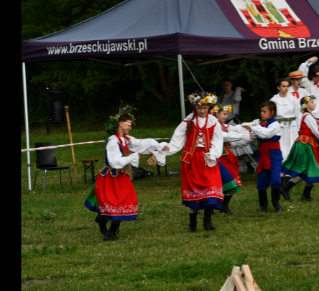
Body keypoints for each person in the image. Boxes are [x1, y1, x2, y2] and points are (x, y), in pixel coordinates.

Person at [150, 92, 228, 233]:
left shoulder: (213, 122)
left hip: (207, 159)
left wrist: (212, 154)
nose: (202, 111)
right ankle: (192, 224)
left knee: (210, 188)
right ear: (195, 107)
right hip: (191, 161)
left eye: (205, 108)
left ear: (209, 107)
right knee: (193, 191)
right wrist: (160, 153)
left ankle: (207, 220)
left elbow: (217, 141)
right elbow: (176, 141)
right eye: (199, 108)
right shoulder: (188, 121)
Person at [87, 106, 165, 240]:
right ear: (120, 123)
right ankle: (106, 227)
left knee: (124, 201)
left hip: (121, 176)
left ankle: (107, 226)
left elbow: (141, 143)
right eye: (128, 125)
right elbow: (113, 161)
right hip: (110, 176)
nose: (130, 127)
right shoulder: (113, 141)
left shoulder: (125, 139)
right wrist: (131, 157)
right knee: (114, 203)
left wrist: (159, 146)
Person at [283, 96, 319, 201]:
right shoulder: (308, 116)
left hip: (309, 144)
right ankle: (287, 189)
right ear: (306, 105)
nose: (314, 104)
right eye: (312, 102)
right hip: (305, 144)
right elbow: (318, 133)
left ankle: (304, 194)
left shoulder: (311, 117)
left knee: (311, 168)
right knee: (305, 168)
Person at [240, 100, 288, 213]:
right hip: (263, 156)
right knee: (262, 182)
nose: (262, 113)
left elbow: (266, 133)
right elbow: (248, 133)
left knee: (276, 180)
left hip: (274, 156)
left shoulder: (275, 125)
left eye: (264, 111)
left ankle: (276, 202)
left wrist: (252, 128)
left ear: (272, 112)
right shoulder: (259, 124)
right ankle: (263, 206)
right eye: (261, 111)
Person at [212, 104, 247, 215]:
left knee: (231, 178)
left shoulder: (223, 126)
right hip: (215, 155)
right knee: (214, 181)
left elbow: (235, 129)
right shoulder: (213, 126)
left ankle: (224, 206)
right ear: (216, 114)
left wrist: (249, 128)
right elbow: (226, 135)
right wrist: (242, 136)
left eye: (226, 114)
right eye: (224, 114)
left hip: (226, 155)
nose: (226, 116)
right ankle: (210, 207)